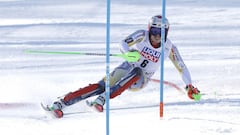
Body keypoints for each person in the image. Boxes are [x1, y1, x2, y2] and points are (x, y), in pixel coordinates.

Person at [47, 15, 201, 118]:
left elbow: (181, 66)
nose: (156, 36)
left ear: (166, 32)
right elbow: (122, 43)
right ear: (149, 29)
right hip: (126, 66)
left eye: (161, 32)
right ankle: (62, 103)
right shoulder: (141, 35)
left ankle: (102, 99)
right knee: (101, 85)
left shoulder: (169, 47)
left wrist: (189, 86)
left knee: (137, 71)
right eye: (154, 31)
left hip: (141, 78)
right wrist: (127, 53)